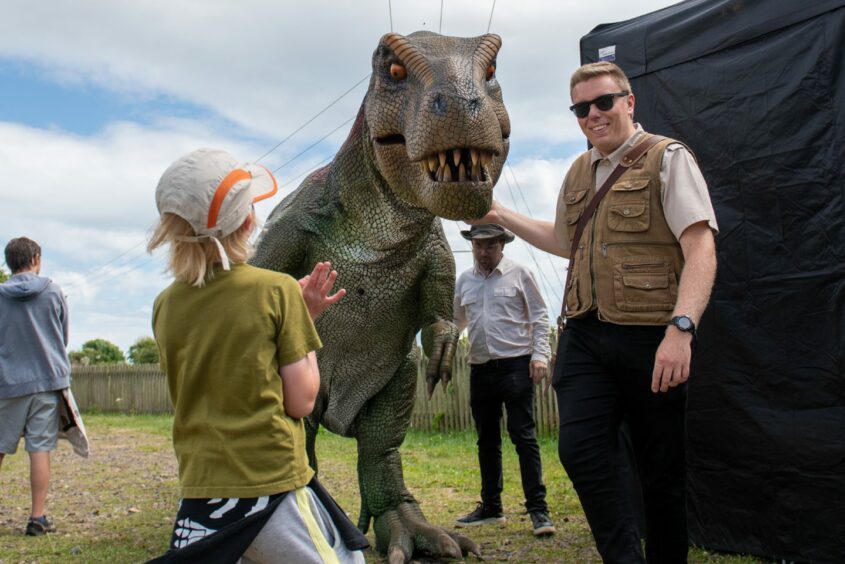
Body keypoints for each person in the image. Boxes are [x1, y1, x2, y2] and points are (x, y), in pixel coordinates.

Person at [468, 62, 718, 563]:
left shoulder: (667, 158)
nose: (593, 114)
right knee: (580, 451)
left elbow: (701, 248)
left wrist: (682, 327)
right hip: (584, 334)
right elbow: (563, 240)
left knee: (660, 471)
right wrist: (498, 213)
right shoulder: (579, 170)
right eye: (582, 108)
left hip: (651, 337)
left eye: (604, 102)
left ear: (629, 102)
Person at [147, 148, 367, 563]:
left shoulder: (164, 304)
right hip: (268, 487)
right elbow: (301, 400)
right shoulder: (277, 290)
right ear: (248, 220)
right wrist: (306, 315)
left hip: (201, 488)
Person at [453, 224, 555, 537]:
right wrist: (443, 345)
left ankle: (539, 511)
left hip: (516, 366)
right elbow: (457, 321)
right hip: (480, 367)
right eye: (478, 246)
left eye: (489, 246)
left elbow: (540, 317)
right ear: (472, 246)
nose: (483, 252)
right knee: (486, 439)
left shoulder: (520, 274)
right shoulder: (465, 281)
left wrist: (540, 356)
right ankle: (492, 508)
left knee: (523, 436)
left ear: (502, 245)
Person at [0, 236, 70, 536]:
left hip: (6, 382)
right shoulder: (54, 291)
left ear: (8, 262)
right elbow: (62, 335)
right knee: (40, 449)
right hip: (46, 380)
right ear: (36, 258)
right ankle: (37, 517)